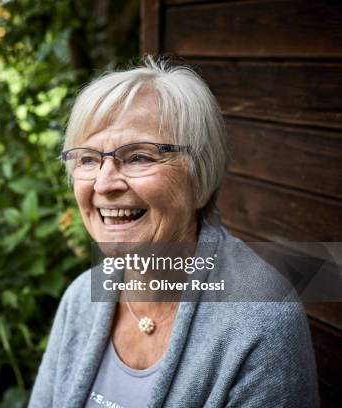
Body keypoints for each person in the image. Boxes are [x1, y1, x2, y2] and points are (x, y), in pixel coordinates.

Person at [28, 57, 319, 407]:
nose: (104, 183)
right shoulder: (81, 298)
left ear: (199, 178)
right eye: (88, 159)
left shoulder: (262, 321)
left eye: (138, 157)